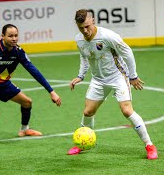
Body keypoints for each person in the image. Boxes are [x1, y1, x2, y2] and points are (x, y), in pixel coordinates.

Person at [67, 9, 158, 160]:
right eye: (81, 27)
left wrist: (133, 75)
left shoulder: (108, 36)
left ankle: (149, 145)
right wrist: (81, 75)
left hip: (118, 77)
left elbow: (127, 52)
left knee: (127, 111)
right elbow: (84, 57)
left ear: (93, 21)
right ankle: (82, 143)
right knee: (88, 112)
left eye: (87, 26)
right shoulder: (79, 39)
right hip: (98, 79)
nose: (85, 31)